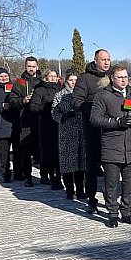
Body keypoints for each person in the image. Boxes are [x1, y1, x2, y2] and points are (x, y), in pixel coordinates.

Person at [89, 65, 131, 227]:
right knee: (111, 184)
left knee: (129, 184)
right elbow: (94, 119)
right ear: (112, 78)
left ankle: (127, 213)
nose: (123, 80)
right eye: (120, 77)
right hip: (111, 146)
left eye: (125, 77)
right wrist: (116, 122)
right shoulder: (103, 96)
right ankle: (112, 213)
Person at [72, 49, 112, 214]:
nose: (106, 62)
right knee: (92, 167)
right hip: (93, 129)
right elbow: (76, 102)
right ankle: (91, 200)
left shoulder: (112, 78)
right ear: (95, 60)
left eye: (108, 59)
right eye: (103, 59)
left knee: (111, 168)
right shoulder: (85, 78)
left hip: (111, 130)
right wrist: (95, 108)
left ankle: (110, 201)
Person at [51, 72, 87, 200]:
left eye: (75, 80)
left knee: (81, 163)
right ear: (66, 81)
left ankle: (80, 190)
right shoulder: (59, 95)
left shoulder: (82, 95)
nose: (73, 82)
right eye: (71, 80)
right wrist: (63, 116)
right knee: (67, 164)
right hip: (66, 133)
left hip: (81, 132)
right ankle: (69, 190)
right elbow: (54, 113)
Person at [9, 57, 42, 187]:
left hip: (40, 120)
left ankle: (45, 175)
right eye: (29, 66)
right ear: (25, 67)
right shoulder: (20, 82)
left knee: (42, 149)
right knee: (26, 150)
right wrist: (22, 101)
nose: (31, 68)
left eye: (33, 66)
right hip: (25, 120)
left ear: (37, 67)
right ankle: (27, 176)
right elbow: (12, 99)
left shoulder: (41, 81)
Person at [30, 70, 63, 190]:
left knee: (59, 152)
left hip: (59, 124)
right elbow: (33, 107)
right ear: (45, 77)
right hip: (46, 124)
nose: (53, 78)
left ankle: (59, 177)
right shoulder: (40, 90)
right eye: (51, 76)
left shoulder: (60, 89)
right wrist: (46, 106)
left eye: (55, 76)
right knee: (47, 152)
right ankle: (48, 176)